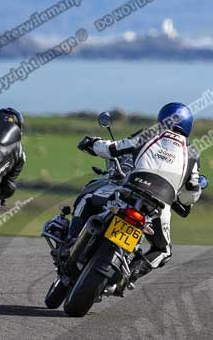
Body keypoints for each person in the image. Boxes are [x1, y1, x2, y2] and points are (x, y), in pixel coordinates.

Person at [74, 102, 202, 283]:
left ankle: (72, 242)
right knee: (163, 251)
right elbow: (191, 193)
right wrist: (181, 199)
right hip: (160, 205)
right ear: (188, 126)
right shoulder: (193, 153)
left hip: (131, 191)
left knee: (87, 197)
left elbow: (113, 149)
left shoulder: (149, 134)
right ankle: (127, 277)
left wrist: (92, 143)